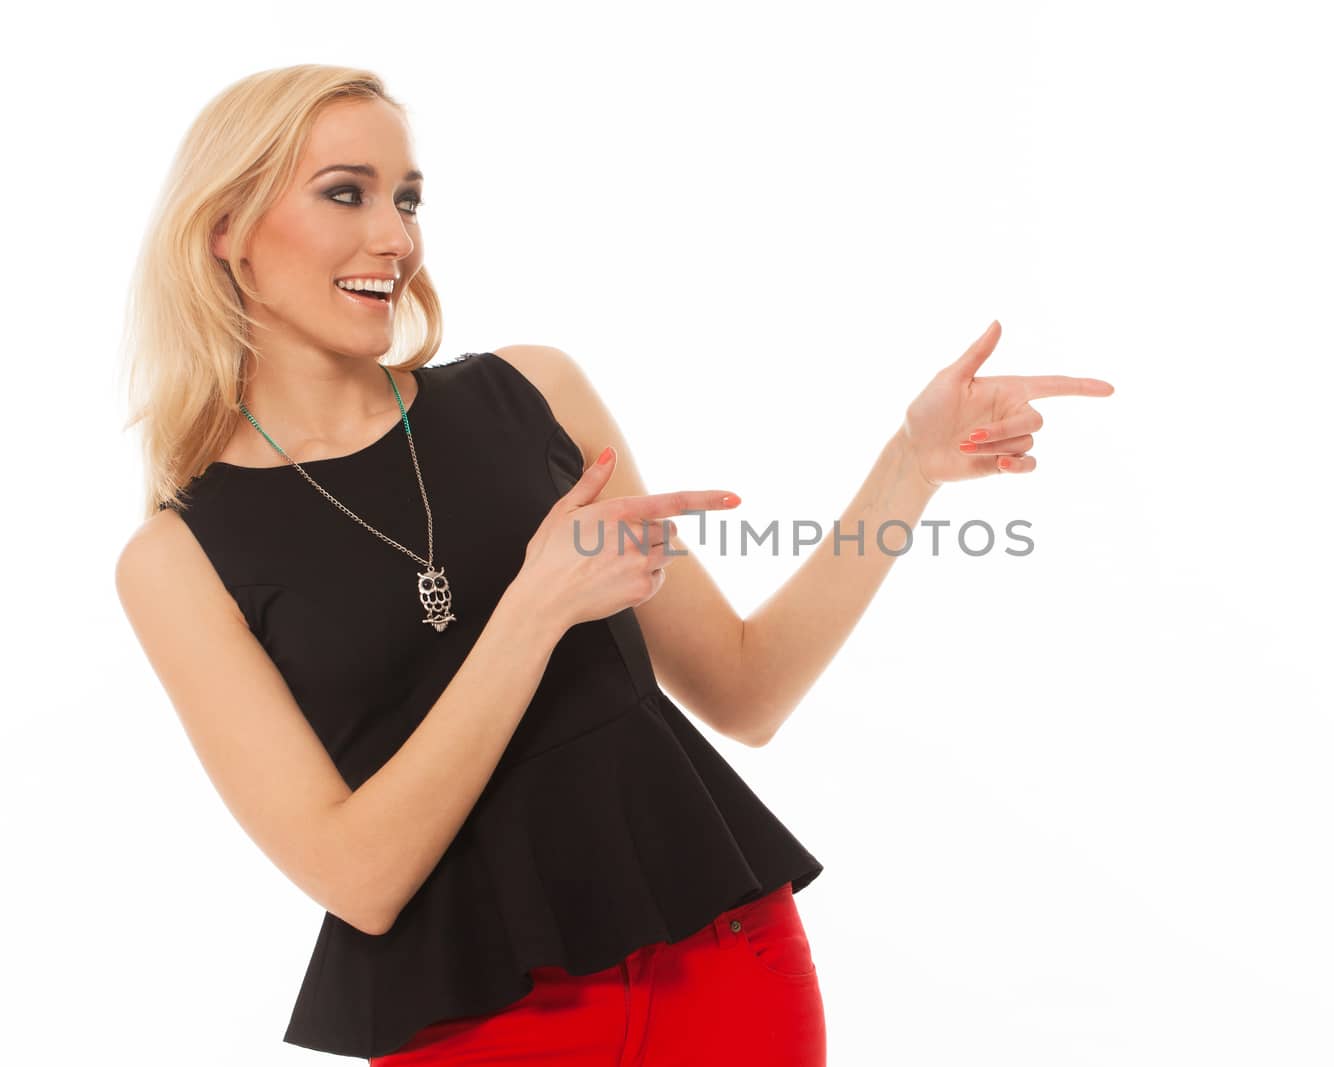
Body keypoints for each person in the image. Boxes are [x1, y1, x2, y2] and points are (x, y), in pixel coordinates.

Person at [114, 64, 1114, 1065]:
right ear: (226, 228)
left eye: (407, 198)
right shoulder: (178, 555)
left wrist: (910, 469)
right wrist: (531, 611)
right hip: (473, 1023)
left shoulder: (532, 395)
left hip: (719, 967)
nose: (396, 237)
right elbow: (358, 876)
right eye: (347, 192)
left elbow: (745, 688)